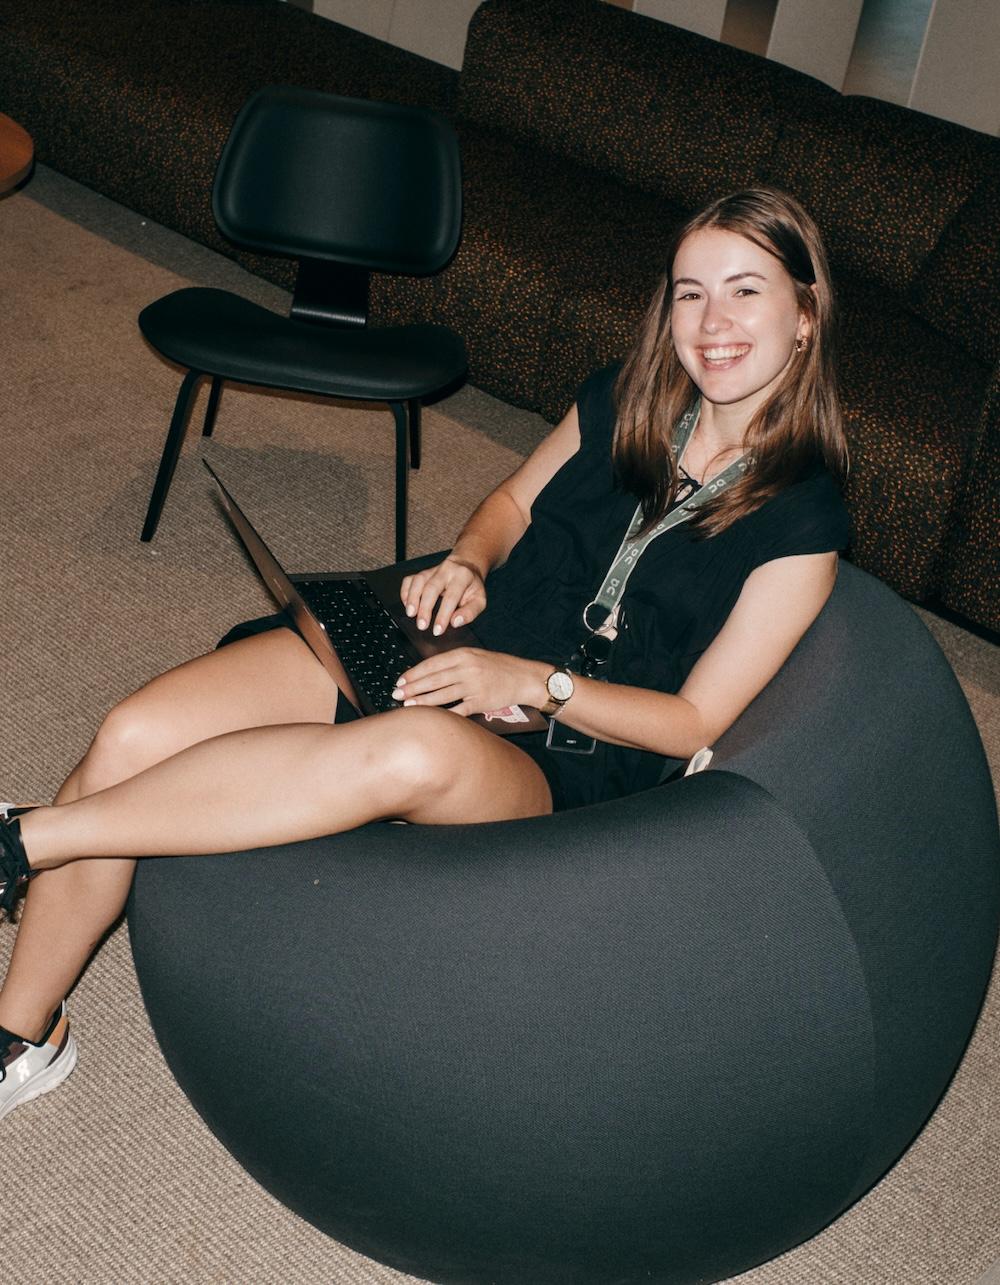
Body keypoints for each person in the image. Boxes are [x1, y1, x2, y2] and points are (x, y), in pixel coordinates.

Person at [0, 187, 849, 1119]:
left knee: (413, 747)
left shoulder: (805, 517)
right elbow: (513, 503)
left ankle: (25, 837)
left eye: (744, 291)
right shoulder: (623, 397)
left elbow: (696, 720)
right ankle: (22, 1036)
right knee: (132, 731)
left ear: (804, 316)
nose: (712, 323)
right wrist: (470, 561)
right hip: (456, 652)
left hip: (567, 754)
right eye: (690, 293)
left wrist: (537, 682)